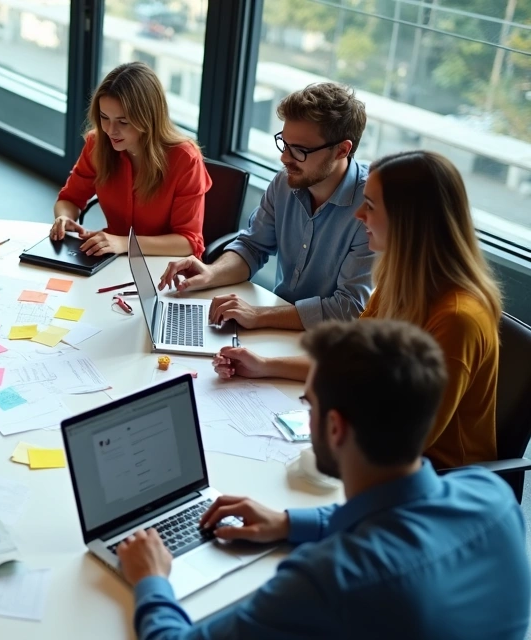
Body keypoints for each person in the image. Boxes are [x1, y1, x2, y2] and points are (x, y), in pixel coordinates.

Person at [116, 320, 530, 639]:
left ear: (335, 428)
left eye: (307, 404)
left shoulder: (328, 580)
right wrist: (290, 523)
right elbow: (394, 513)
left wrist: (151, 579)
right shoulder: (491, 495)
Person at [211, 151, 501, 468]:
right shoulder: (399, 283)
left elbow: (405, 442)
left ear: (409, 223)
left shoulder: (459, 318)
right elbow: (348, 362)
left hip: (436, 480)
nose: (359, 214)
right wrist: (263, 365)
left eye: (371, 206)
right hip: (379, 448)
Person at [158, 82, 374, 329]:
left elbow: (348, 308)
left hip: (333, 345)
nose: (284, 158)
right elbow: (253, 246)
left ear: (341, 150)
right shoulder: (285, 181)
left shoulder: (372, 209)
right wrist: (211, 273)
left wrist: (258, 315)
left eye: (300, 150)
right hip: (282, 325)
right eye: (284, 143)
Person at [52, 62, 210, 258]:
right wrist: (64, 217)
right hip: (116, 258)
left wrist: (125, 243)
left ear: (148, 118)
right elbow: (69, 199)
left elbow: (188, 242)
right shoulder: (98, 143)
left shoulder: (185, 159)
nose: (110, 130)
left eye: (123, 122)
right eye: (104, 117)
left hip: (166, 268)